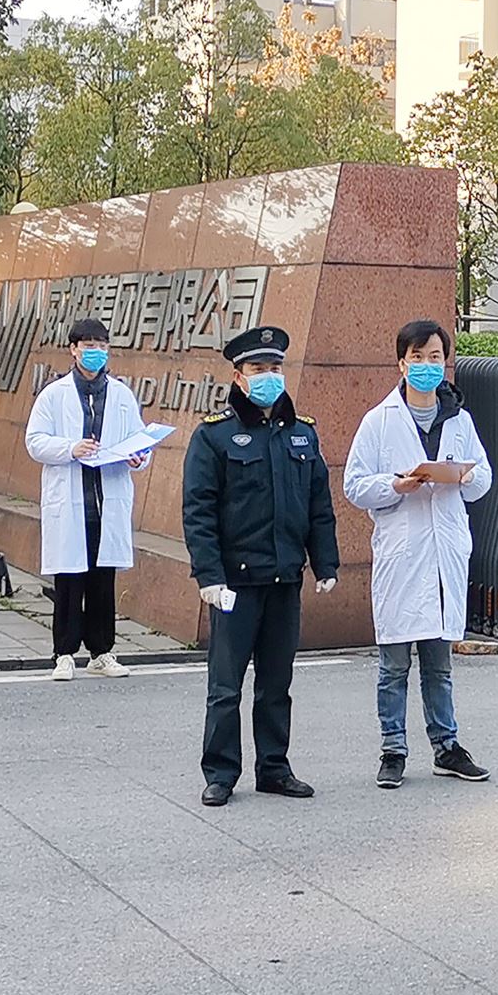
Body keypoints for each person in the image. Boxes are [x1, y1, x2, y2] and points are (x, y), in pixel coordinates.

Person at [182, 325, 339, 807]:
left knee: (276, 684)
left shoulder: (302, 433)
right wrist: (209, 575)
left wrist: (325, 563)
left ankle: (274, 767)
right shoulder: (215, 435)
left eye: (274, 367)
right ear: (239, 376)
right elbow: (199, 511)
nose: (268, 376)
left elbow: (318, 505)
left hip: (284, 578)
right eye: (258, 368)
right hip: (235, 582)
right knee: (225, 686)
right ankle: (220, 772)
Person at [343, 319, 493, 788]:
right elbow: (354, 485)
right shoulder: (379, 420)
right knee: (394, 665)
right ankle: (393, 749)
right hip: (401, 555)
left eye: (435, 358)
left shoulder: (459, 420)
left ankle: (447, 746)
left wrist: (465, 476)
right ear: (401, 364)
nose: (427, 366)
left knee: (439, 665)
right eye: (418, 358)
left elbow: (484, 478)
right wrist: (395, 484)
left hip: (444, 552)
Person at [25, 318, 149, 681]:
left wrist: (139, 457)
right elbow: (35, 441)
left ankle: (101, 652)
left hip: (106, 502)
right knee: (69, 581)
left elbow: (139, 439)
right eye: (89, 346)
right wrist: (70, 448)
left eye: (102, 346)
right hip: (70, 502)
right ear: (73, 349)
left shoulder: (121, 395)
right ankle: (64, 653)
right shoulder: (54, 394)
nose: (96, 352)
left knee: (102, 581)